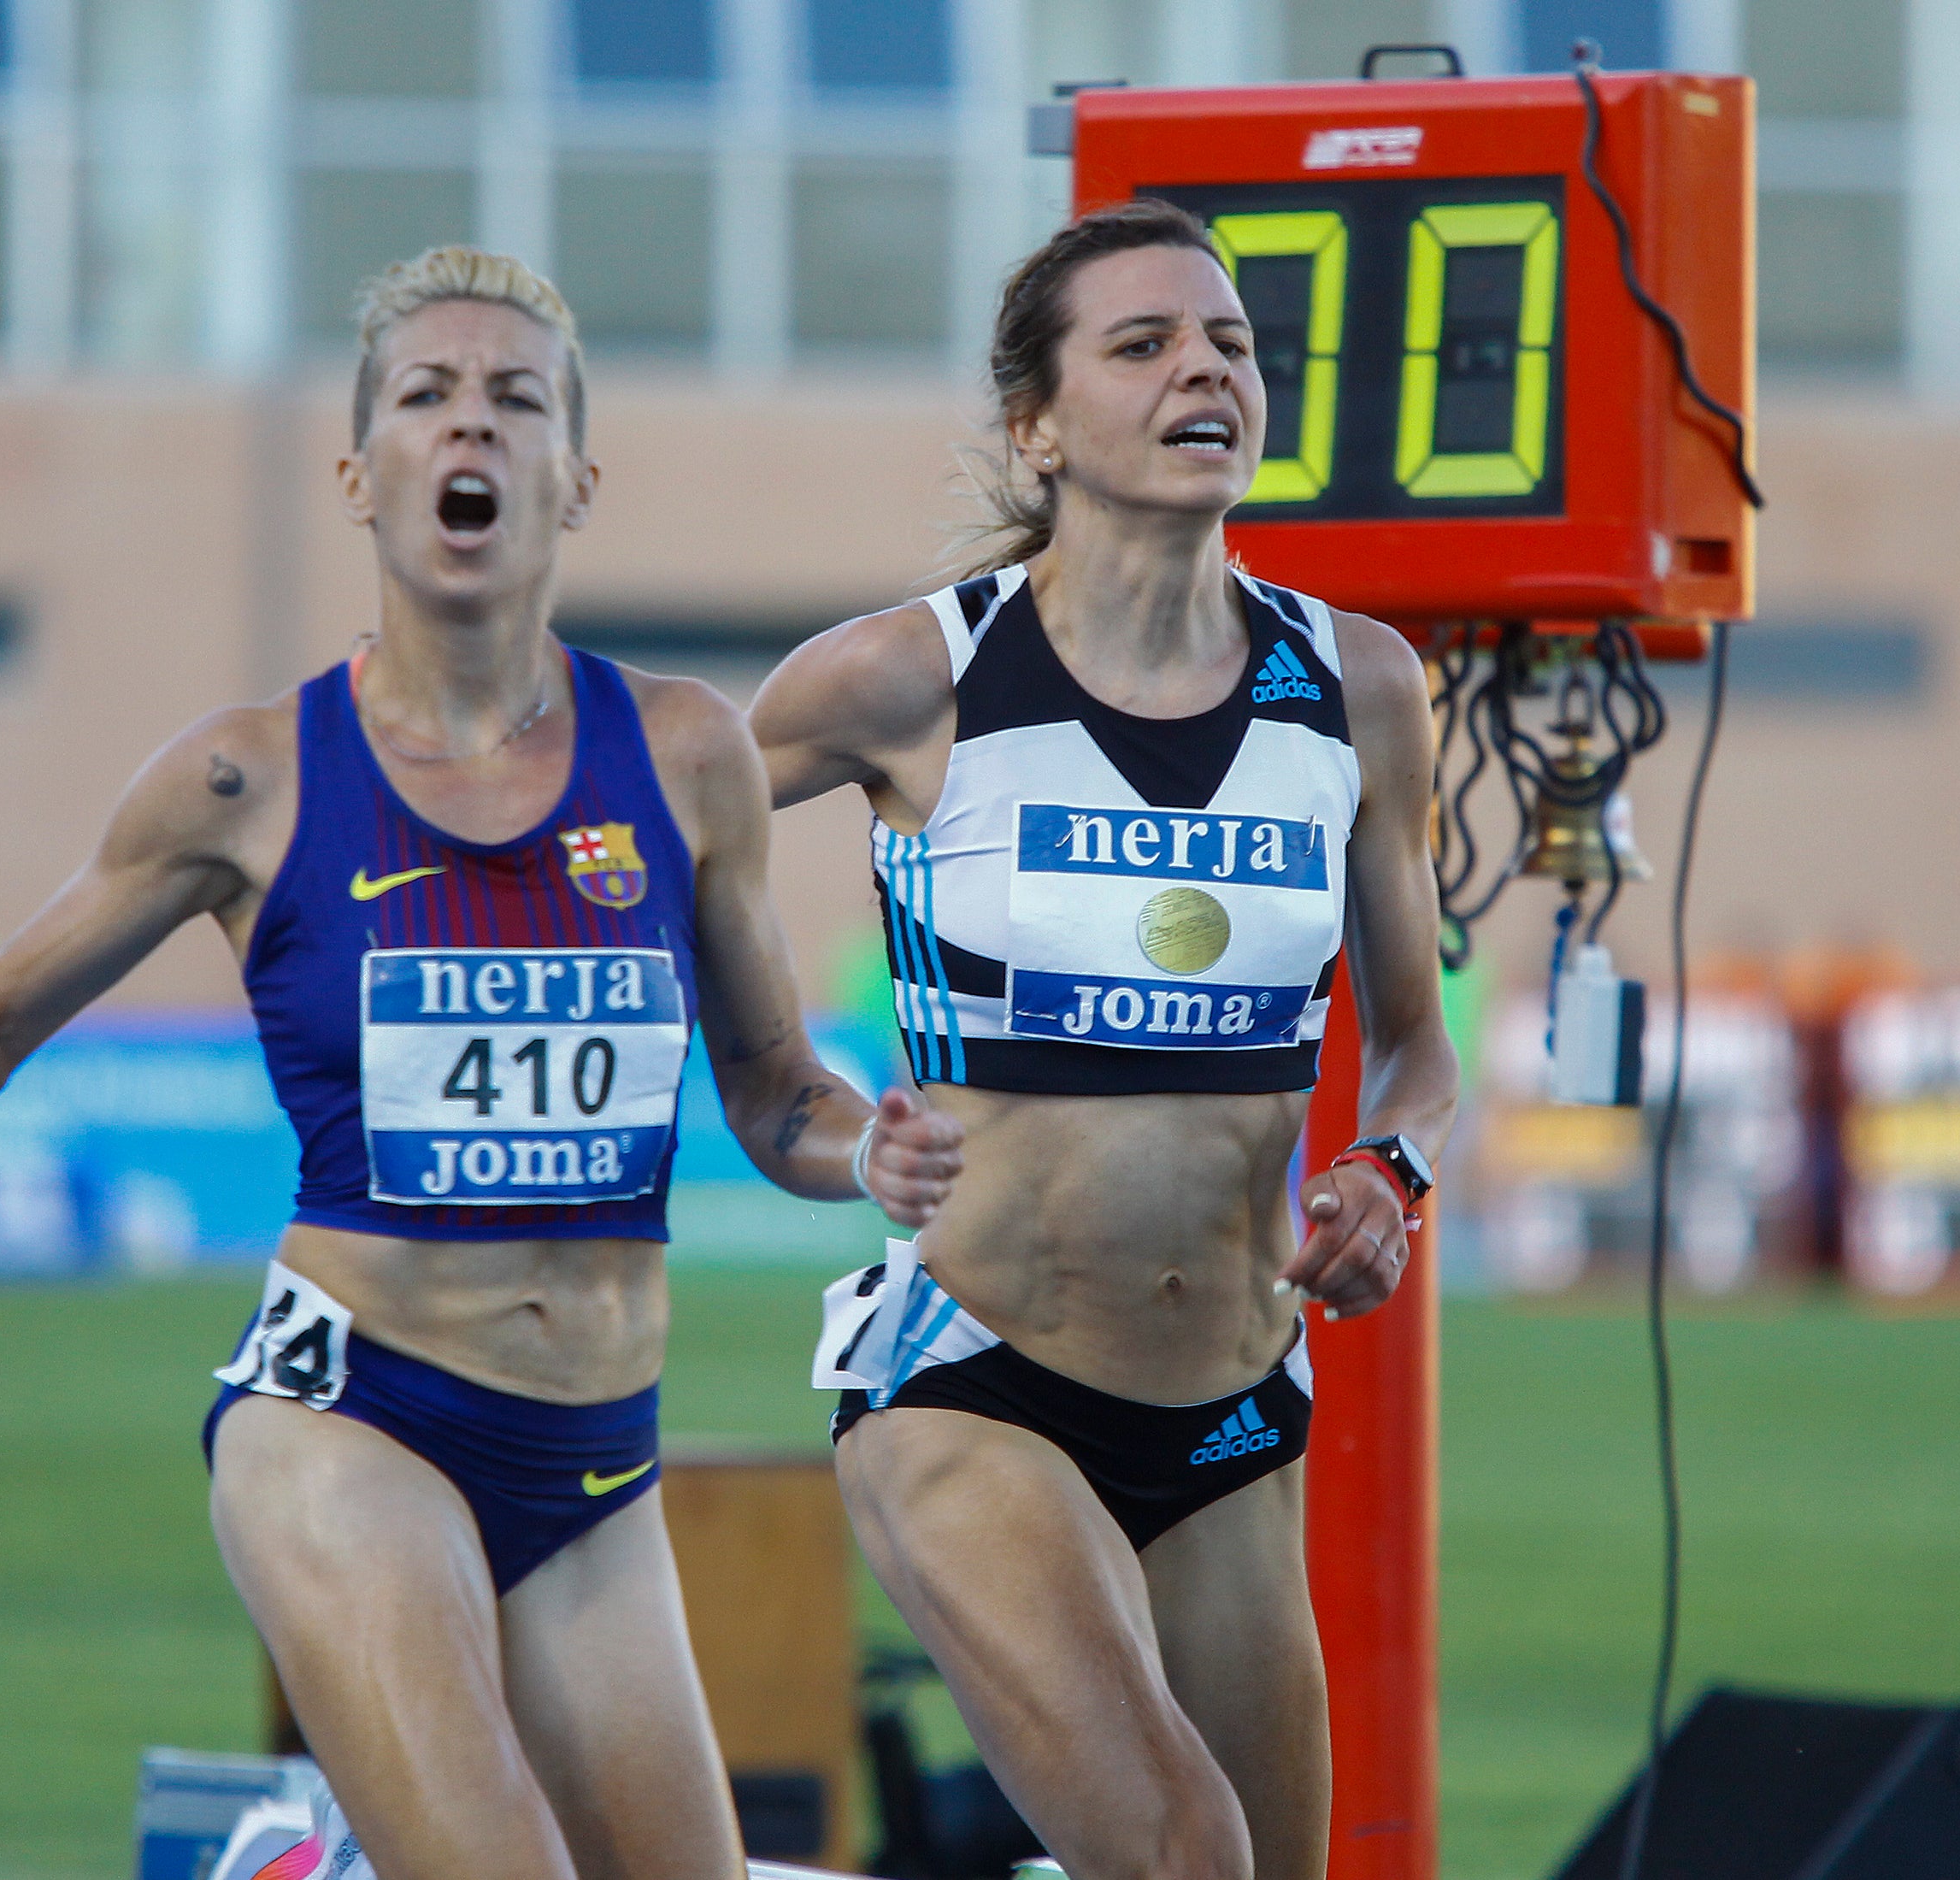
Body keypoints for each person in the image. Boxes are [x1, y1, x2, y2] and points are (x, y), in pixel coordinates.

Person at [0, 245, 962, 1880]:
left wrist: (870, 1152)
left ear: (575, 476)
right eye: (425, 396)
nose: (467, 427)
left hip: (592, 1456)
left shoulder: (689, 752)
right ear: (359, 474)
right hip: (352, 1415)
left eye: (513, 398)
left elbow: (776, 1091)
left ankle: (310, 1863)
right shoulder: (243, 779)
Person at [750, 201, 1459, 1880]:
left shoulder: (1355, 683)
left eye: (1228, 343)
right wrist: (801, 1099)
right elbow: (629, 840)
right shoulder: (905, 676)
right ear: (1037, 424)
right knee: (1177, 1853)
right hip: (973, 1384)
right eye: (1141, 344)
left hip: (1224, 1414)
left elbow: (1419, 1048)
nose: (1203, 367)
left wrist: (1389, 1169)